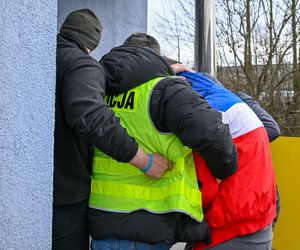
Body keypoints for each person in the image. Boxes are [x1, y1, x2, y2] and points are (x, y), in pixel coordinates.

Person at [118, 33, 279, 249]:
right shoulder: (214, 95)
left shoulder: (188, 101)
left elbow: (203, 178)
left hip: (228, 224)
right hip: (256, 213)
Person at [88, 33, 238, 249]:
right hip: (151, 223)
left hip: (103, 219)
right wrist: (225, 170)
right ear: (156, 57)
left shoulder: (96, 88)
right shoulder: (165, 90)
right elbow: (213, 134)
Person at [54, 12, 171, 250]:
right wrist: (144, 161)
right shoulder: (81, 64)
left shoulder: (42, 58)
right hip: (66, 199)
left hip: (37, 189)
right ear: (91, 44)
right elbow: (91, 116)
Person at [177, 71, 277, 249]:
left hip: (226, 225)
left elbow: (202, 186)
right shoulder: (235, 105)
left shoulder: (206, 116)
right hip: (259, 211)